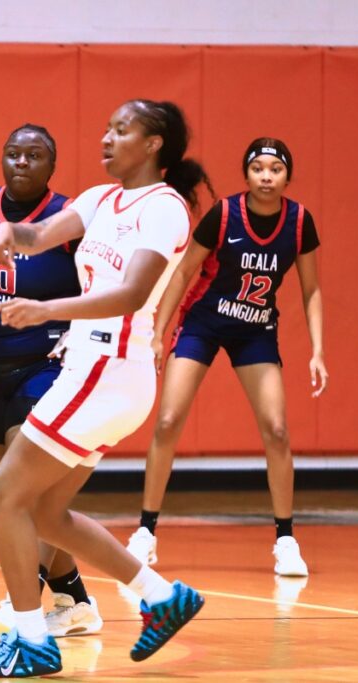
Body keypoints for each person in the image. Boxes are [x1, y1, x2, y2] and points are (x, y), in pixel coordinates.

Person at [0, 99, 211, 678]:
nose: (106, 138)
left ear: (153, 145)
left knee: (4, 496)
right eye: (107, 127)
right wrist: (10, 232)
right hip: (91, 371)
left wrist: (46, 307)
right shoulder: (100, 199)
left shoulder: (165, 208)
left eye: (121, 130)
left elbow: (130, 294)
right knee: (46, 512)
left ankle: (31, 640)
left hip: (110, 369)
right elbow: (41, 232)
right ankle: (160, 596)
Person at [127, 137, 327, 577]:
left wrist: (317, 350)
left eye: (276, 169)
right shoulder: (224, 215)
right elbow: (183, 272)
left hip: (256, 330)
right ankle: (145, 532)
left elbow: (311, 290)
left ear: (287, 176)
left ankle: (286, 540)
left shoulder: (298, 223)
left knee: (276, 430)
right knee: (167, 421)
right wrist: (158, 332)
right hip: (203, 322)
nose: (267, 177)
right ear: (247, 174)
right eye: (259, 169)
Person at [0, 123, 102, 639]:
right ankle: (73, 598)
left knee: (19, 496)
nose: (21, 163)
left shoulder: (69, 218)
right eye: (13, 154)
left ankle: (23, 596)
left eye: (33, 156)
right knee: (15, 497)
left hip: (45, 368)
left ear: (52, 167)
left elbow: (99, 288)